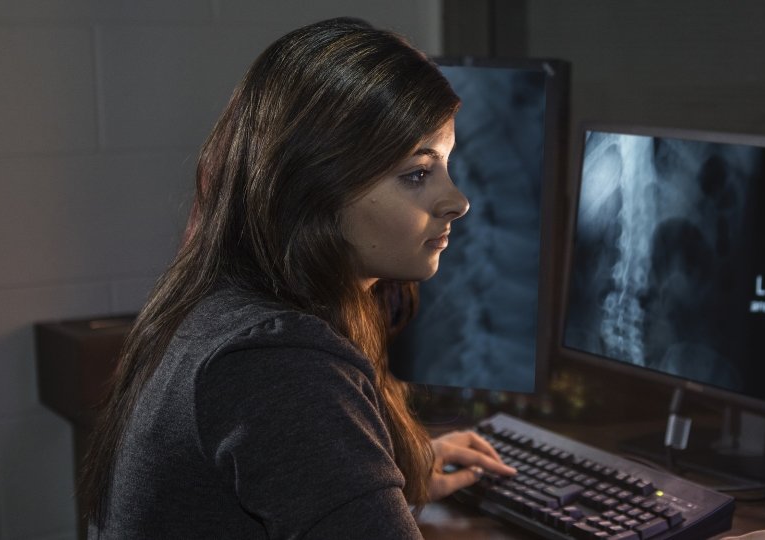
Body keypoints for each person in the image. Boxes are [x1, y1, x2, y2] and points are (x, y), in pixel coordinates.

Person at [78, 17, 515, 538]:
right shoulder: (277, 361)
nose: (458, 201)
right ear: (316, 185)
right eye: (417, 174)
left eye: (446, 165)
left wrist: (382, 474)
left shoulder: (217, 309)